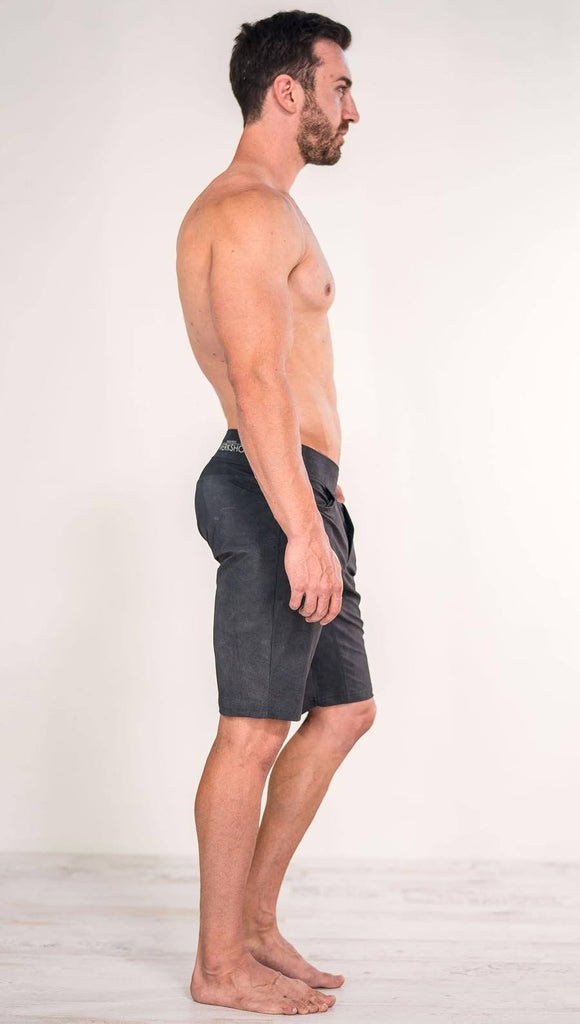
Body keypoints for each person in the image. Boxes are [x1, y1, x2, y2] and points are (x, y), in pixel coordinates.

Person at [175, 10, 377, 1016]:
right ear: (287, 91)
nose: (353, 108)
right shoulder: (249, 209)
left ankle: (254, 925)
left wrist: (317, 507)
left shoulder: (269, 209)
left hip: (302, 489)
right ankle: (218, 966)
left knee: (343, 710)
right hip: (273, 490)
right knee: (253, 729)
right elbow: (257, 380)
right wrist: (299, 526)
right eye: (340, 86)